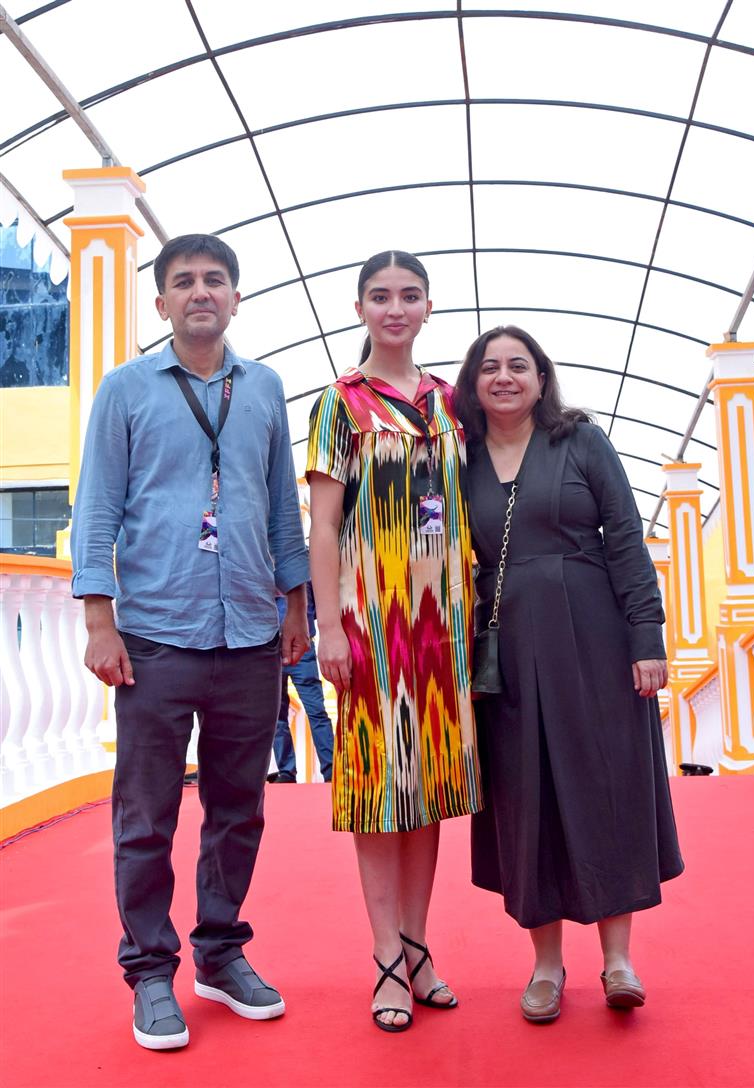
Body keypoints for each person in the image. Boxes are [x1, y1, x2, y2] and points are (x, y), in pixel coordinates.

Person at [71, 234, 309, 1050]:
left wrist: (296, 606)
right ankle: (148, 970)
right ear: (163, 303)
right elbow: (98, 505)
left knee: (239, 809)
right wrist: (100, 620)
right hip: (156, 636)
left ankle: (219, 953)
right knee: (146, 816)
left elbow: (283, 506)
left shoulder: (267, 388)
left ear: (236, 298)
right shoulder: (126, 390)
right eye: (184, 282)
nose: (200, 292)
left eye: (215, 280)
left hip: (249, 632)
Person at [454, 325, 684, 1023]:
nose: (503, 377)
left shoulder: (581, 440)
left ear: (541, 376)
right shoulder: (457, 460)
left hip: (595, 639)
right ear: (472, 382)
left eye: (517, 365)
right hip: (507, 655)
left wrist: (647, 637)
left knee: (605, 785)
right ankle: (546, 967)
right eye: (489, 367)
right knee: (526, 800)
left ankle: (618, 961)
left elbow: (625, 537)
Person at [307, 251, 481, 1032]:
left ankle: (419, 947)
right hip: (370, 621)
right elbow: (324, 524)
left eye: (409, 296)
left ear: (429, 307)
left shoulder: (452, 403)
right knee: (381, 790)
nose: (395, 309)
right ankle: (384, 956)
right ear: (359, 308)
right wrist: (328, 624)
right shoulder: (340, 403)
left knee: (430, 790)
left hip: (444, 623)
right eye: (380, 296)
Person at [268, 583, 334, 783]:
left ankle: (331, 768)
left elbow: (317, 607)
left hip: (300, 647)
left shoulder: (303, 565)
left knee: (316, 711)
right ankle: (287, 771)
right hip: (271, 649)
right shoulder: (263, 562)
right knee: (276, 717)